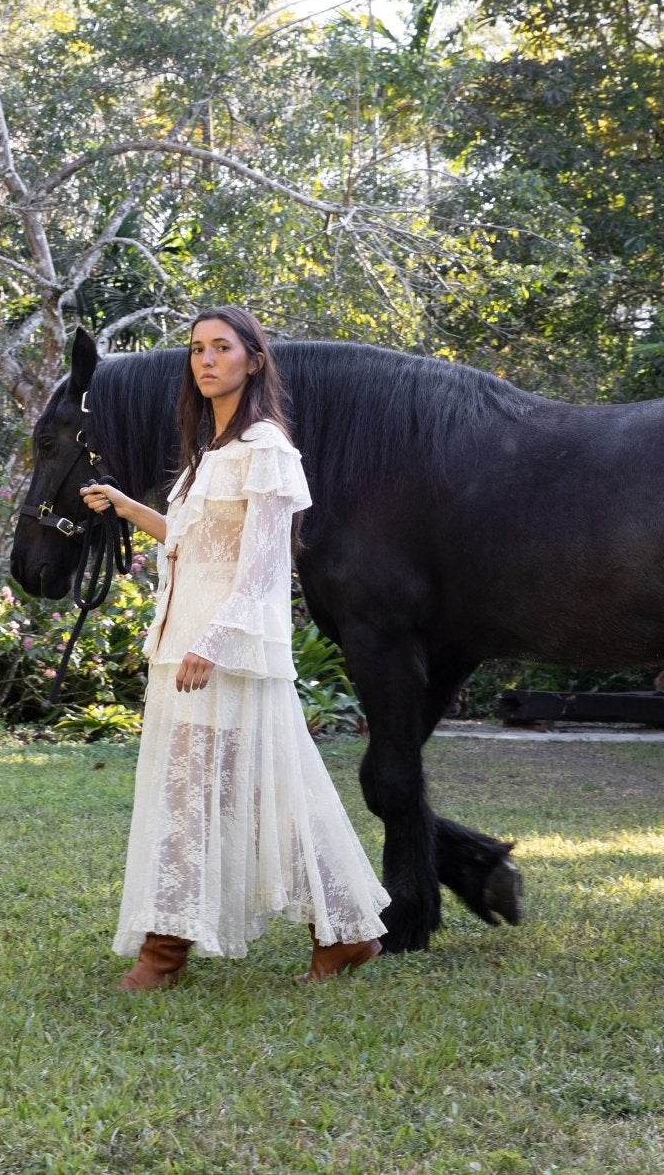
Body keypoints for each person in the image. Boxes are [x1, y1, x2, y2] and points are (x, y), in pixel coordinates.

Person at [80, 306, 389, 990]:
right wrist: (128, 506)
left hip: (229, 648)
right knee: (260, 788)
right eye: (197, 349)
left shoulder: (267, 450)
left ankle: (166, 950)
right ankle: (349, 932)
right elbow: (193, 545)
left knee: (209, 789)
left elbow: (262, 568)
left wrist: (211, 642)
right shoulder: (206, 458)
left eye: (222, 347)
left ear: (253, 359)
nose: (206, 359)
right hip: (185, 641)